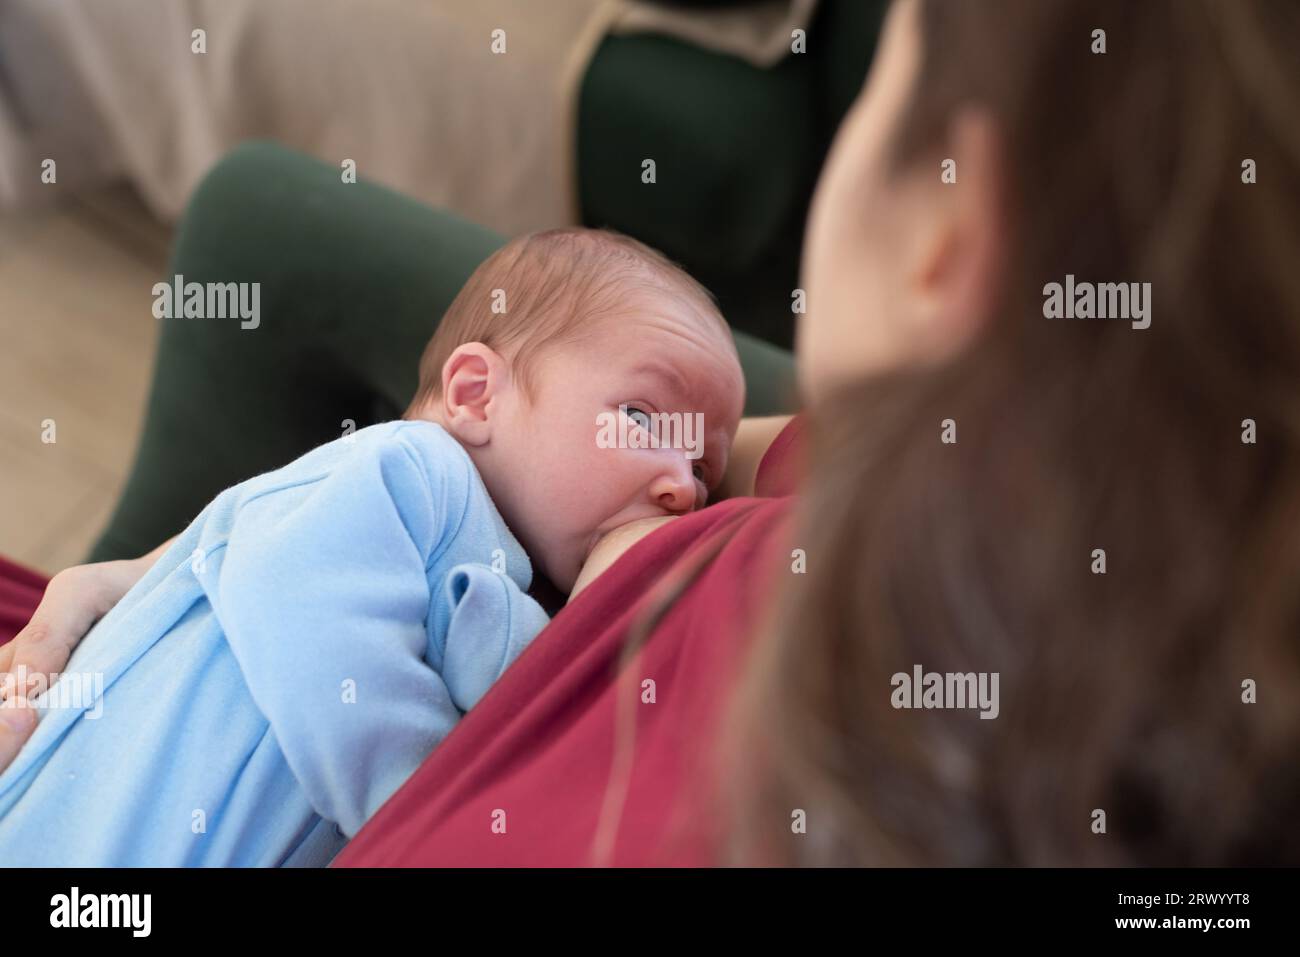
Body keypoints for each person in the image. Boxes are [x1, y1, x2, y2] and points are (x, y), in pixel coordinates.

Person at [4, 0, 1298, 866]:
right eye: (655, 428)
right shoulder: (424, 475)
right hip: (164, 741)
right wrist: (167, 572)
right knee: (258, 220)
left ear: (948, 243)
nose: (688, 476)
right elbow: (305, 565)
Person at [0, 227, 743, 866]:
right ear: (477, 395)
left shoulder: (510, 578)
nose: (681, 486)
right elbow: (302, 610)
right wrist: (423, 800)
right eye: (644, 419)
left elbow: (508, 688)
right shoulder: (410, 468)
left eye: (705, 469)